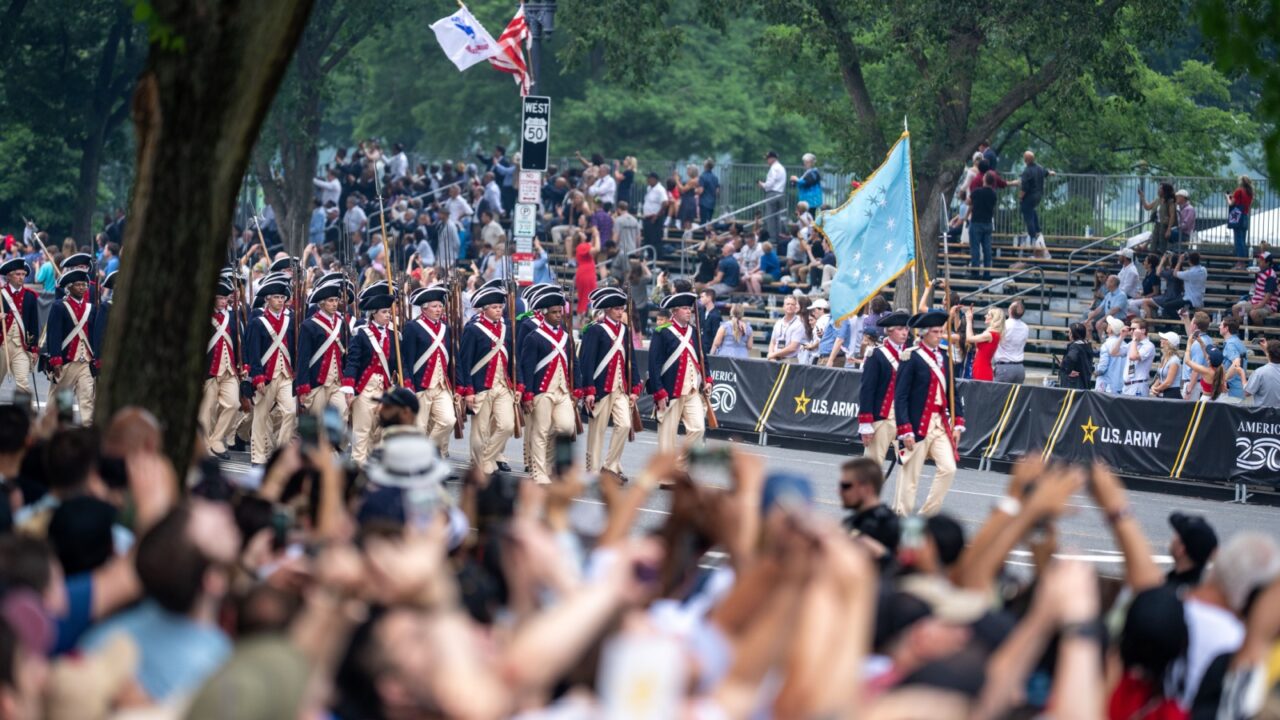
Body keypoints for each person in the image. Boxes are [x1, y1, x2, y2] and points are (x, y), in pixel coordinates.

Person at [78, 503, 238, 701]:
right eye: (219, 530)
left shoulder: (103, 637)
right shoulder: (217, 665)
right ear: (214, 581)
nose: (224, 511)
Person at [893, 310, 964, 516]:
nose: (940, 335)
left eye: (942, 331)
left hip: (940, 423)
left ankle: (926, 516)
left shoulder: (944, 357)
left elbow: (953, 392)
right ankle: (902, 519)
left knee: (949, 469)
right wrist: (905, 429)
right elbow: (901, 396)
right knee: (910, 477)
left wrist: (958, 421)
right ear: (924, 333)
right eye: (936, 331)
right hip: (918, 424)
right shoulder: (911, 357)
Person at [577, 287, 641, 479]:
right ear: (606, 310)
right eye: (616, 309)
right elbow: (587, 361)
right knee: (597, 432)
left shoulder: (624, 330)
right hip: (600, 388)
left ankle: (610, 466)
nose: (621, 312)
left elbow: (631, 359)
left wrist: (635, 386)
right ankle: (593, 471)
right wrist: (588, 389)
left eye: (622, 308)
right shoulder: (594, 330)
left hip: (620, 388)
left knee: (624, 425)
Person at [518, 289, 578, 486]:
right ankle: (539, 471)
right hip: (542, 390)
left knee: (565, 428)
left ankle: (550, 464)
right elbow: (527, 368)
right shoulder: (534, 337)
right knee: (540, 432)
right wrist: (527, 394)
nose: (559, 315)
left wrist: (577, 388)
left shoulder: (566, 337)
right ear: (544, 313)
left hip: (562, 391)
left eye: (560, 312)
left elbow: (573, 364)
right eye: (555, 312)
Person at [458, 283, 516, 475]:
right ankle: (479, 466)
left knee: (507, 425)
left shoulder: (507, 327)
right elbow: (464, 361)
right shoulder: (473, 329)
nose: (499, 310)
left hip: (502, 385)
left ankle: (486, 458)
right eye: (494, 307)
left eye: (500, 307)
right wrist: (468, 390)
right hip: (481, 385)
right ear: (484, 309)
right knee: (479, 431)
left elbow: (513, 358)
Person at [648, 292, 710, 463]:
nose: (689, 311)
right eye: (684, 308)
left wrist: (708, 379)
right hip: (670, 391)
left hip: (691, 391)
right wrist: (659, 391)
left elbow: (703, 358)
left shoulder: (694, 331)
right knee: (667, 437)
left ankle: (680, 468)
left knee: (698, 429)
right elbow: (654, 365)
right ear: (674, 312)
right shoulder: (662, 332)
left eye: (689, 308)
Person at [342, 283, 400, 464]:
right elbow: (352, 361)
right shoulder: (360, 334)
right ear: (374, 313)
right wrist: (349, 386)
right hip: (365, 387)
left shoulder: (394, 335)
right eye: (384, 312)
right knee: (362, 430)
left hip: (385, 387)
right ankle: (358, 465)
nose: (388, 315)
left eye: (389, 312)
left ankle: (376, 465)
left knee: (383, 430)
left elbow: (399, 363)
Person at [245, 276, 296, 466]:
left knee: (290, 412)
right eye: (276, 297)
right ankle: (258, 456)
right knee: (260, 417)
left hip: (286, 375)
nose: (280, 301)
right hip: (265, 376)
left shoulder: (291, 321)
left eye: (282, 297)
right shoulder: (257, 323)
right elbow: (253, 352)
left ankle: (280, 454)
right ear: (267, 299)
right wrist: (257, 376)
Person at [402, 284, 458, 455]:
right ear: (424, 308)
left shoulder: (445, 328)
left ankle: (426, 452)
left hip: (442, 385)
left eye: (440, 306)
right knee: (418, 428)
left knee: (448, 421)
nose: (439, 309)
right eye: (434, 306)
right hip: (421, 385)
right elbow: (407, 359)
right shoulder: (413, 327)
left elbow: (452, 358)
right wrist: (408, 383)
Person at [45, 270, 100, 422]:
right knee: (60, 400)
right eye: (78, 285)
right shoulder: (59, 306)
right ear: (69, 288)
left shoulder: (91, 308)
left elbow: (94, 335)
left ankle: (87, 430)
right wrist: (55, 359)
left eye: (84, 285)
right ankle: (51, 427)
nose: (82, 287)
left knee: (87, 398)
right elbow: (54, 334)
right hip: (66, 360)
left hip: (86, 362)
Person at [295, 277, 351, 425]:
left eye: (336, 300)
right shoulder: (309, 325)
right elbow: (303, 358)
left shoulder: (342, 323)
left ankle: (332, 448)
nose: (334, 304)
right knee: (318, 423)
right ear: (322, 303)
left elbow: (348, 353)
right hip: (316, 381)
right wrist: (303, 385)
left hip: (337, 380)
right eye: (330, 301)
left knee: (341, 415)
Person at [198, 276, 242, 459]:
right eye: (220, 298)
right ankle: (204, 445)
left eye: (226, 298)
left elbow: (239, 342)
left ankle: (216, 439)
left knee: (234, 404)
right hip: (209, 370)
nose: (224, 301)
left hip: (229, 369)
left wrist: (242, 363)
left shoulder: (232, 316)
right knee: (206, 411)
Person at [857, 311, 909, 464]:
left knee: (909, 466)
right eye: (900, 329)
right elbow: (867, 390)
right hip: (883, 418)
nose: (905, 332)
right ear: (890, 330)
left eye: (906, 329)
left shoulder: (910, 355)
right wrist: (866, 422)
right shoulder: (877, 355)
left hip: (903, 421)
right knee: (872, 466)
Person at [840, 457, 901, 560]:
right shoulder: (849, 523)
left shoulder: (893, 527)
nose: (839, 491)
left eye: (845, 486)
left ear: (866, 489)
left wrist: (883, 555)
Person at [0, 259, 38, 396]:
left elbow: (34, 324)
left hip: (20, 346)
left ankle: (28, 416)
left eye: (23, 274)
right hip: (1, 345)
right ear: (9, 276)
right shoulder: (0, 294)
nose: (21, 277)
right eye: (18, 274)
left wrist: (34, 349)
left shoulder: (30, 296)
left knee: (23, 384)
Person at [1166, 512, 1219, 592]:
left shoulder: (1162, 595)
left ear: (1181, 549)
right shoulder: (1206, 593)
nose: (1173, 537)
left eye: (1177, 534)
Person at [964, 171, 998, 280]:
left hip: (976, 222)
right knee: (987, 249)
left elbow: (968, 202)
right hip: (988, 223)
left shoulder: (977, 191)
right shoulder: (993, 194)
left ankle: (975, 272)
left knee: (975, 248)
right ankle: (987, 273)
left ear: (984, 180)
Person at [1017, 151, 1053, 242]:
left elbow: (1024, 187)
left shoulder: (1027, 171)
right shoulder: (1039, 168)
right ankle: (1038, 230)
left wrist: (1020, 197)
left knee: (1027, 215)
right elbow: (1046, 172)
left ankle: (1033, 237)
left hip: (1030, 196)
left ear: (1025, 160)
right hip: (1038, 196)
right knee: (1032, 210)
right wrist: (1051, 172)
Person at [1231, 251, 1276, 325]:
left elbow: (1268, 296)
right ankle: (1241, 329)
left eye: (1262, 260)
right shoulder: (1261, 272)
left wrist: (1257, 306)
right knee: (1235, 308)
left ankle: (1260, 333)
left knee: (1253, 313)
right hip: (1254, 303)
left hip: (1267, 306)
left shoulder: (1271, 275)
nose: (1259, 261)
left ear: (1267, 263)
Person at [992, 300, 1028, 384]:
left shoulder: (1004, 325)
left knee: (999, 395)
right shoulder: (1025, 327)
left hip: (1005, 367)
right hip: (1019, 367)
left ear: (1010, 310)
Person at [964, 306, 1004, 381]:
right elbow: (972, 339)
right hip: (980, 367)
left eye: (988, 315)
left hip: (982, 369)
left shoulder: (990, 334)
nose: (985, 316)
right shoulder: (992, 333)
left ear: (994, 319)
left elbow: (969, 338)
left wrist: (969, 321)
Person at [1138, 182, 1176, 256]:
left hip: (1164, 226)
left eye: (1160, 188)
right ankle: (1152, 261)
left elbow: (1172, 216)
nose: (1158, 190)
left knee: (1162, 247)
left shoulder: (1170, 201)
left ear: (1165, 190)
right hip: (1157, 225)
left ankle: (1163, 263)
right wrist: (1142, 197)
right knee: (1153, 245)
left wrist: (1169, 229)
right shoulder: (1158, 200)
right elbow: (1147, 207)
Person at [1121, 318, 1156, 397]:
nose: (1131, 332)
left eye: (1134, 329)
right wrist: (1121, 336)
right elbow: (1114, 352)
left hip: (1138, 385)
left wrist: (1134, 339)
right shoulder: (1132, 344)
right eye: (1130, 329)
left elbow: (1133, 356)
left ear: (1143, 331)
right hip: (1127, 385)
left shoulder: (1148, 345)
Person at [767, 295, 807, 363]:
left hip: (790, 360)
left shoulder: (799, 324)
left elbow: (793, 348)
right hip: (774, 360)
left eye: (792, 304)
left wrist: (773, 354)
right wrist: (771, 355)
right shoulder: (778, 323)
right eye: (788, 304)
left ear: (795, 308)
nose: (790, 306)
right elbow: (772, 342)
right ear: (783, 306)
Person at [759, 151, 786, 243]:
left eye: (768, 158)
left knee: (770, 217)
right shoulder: (782, 167)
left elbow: (770, 183)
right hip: (780, 193)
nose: (767, 161)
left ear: (772, 158)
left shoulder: (774, 168)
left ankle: (772, 238)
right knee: (776, 217)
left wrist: (763, 185)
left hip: (772, 194)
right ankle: (778, 237)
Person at [1094, 316, 1127, 394]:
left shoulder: (1106, 345)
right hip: (1121, 385)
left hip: (1107, 385)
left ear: (1111, 329)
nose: (1107, 325)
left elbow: (1102, 367)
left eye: (1109, 324)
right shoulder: (1125, 344)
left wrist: (1095, 372)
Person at [1227, 175, 1254, 267]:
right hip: (1245, 216)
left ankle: (1240, 262)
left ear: (1240, 182)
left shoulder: (1239, 191)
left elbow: (1231, 203)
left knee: (1238, 240)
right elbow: (1248, 205)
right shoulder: (1250, 193)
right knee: (1242, 239)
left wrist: (1227, 197)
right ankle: (1243, 261)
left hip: (1238, 216)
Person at [1244, 337, 1280, 408]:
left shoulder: (1260, 372)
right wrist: (1267, 349)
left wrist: (1242, 375)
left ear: (1269, 354)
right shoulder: (1261, 372)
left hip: (1262, 416)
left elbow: (1246, 393)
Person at [1219, 317, 1248, 401]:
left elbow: (1236, 363)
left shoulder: (1230, 344)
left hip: (1231, 392)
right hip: (1238, 390)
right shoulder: (1238, 341)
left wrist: (1223, 379)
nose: (1219, 327)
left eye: (1221, 325)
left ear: (1226, 328)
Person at [1058, 322, 1093, 390]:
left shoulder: (1075, 346)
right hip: (1084, 381)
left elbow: (1071, 358)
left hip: (1073, 384)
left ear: (1073, 334)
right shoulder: (1087, 345)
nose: (1068, 334)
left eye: (1069, 332)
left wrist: (1066, 368)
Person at [640, 172, 669, 253]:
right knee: (647, 239)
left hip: (655, 219)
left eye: (649, 178)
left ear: (654, 179)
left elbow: (665, 203)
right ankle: (649, 256)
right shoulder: (649, 188)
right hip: (647, 218)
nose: (647, 180)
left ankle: (656, 258)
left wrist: (657, 216)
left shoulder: (660, 190)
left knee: (655, 240)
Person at [1150, 331, 1183, 399]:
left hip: (1172, 394)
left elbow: (1168, 382)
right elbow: (1161, 377)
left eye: (1163, 339)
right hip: (1164, 392)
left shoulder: (1174, 360)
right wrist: (1154, 387)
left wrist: (1156, 389)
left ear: (1169, 342)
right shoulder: (1165, 357)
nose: (1161, 340)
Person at [697, 158, 719, 224]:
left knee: (703, 223)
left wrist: (694, 191)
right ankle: (708, 234)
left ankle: (705, 234)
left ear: (705, 166)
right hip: (712, 203)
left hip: (704, 203)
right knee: (708, 222)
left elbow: (700, 191)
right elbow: (717, 192)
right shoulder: (715, 177)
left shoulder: (702, 177)